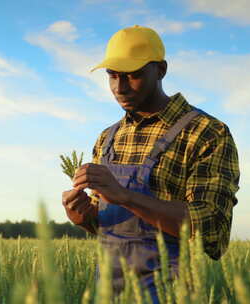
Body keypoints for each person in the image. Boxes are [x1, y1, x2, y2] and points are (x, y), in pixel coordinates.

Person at [61, 25, 240, 302]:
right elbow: (109, 224)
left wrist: (126, 196)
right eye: (113, 76)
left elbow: (211, 230)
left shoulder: (206, 133)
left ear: (161, 70)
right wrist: (85, 217)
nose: (120, 87)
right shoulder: (107, 138)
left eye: (133, 75)